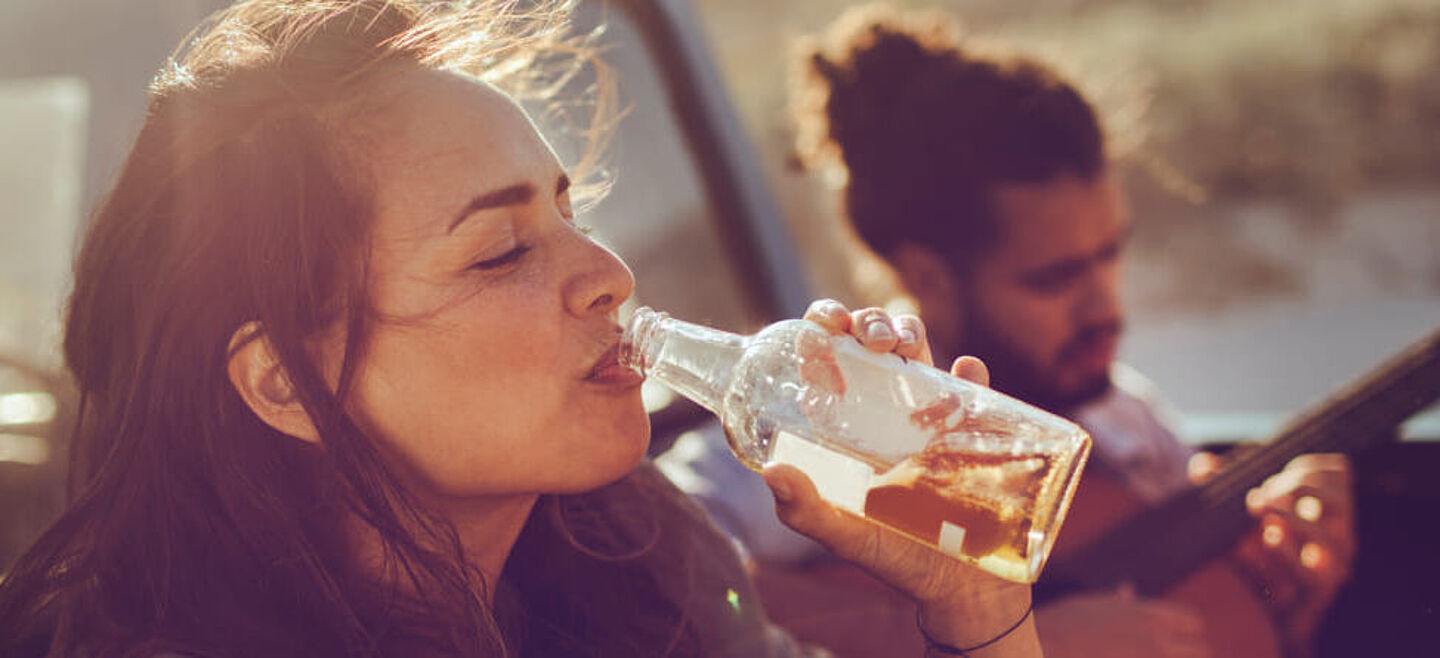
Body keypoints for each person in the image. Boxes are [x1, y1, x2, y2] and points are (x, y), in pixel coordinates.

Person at [0, 1, 1042, 656]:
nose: (609, 275)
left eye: (570, 214)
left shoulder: (642, 560)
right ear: (283, 380)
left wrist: (971, 603)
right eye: (499, 251)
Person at [659, 4, 1355, 658]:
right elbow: (664, 567)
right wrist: (980, 629)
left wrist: (1294, 583)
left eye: (1110, 255)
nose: (1105, 309)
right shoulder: (822, 425)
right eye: (1052, 279)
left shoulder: (1129, 426)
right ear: (928, 276)